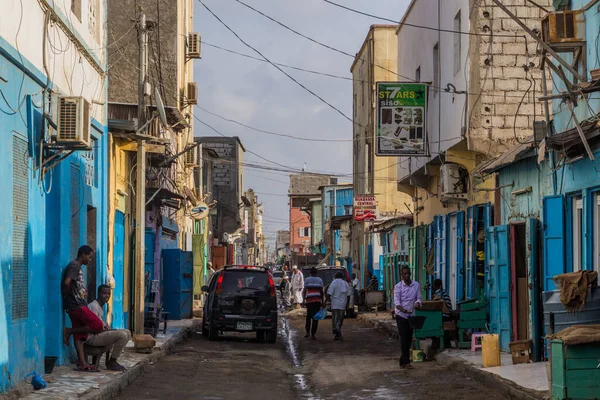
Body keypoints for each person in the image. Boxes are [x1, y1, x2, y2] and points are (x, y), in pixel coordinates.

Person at [62, 245, 105, 372]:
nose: (90, 260)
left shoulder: (77, 266)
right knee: (98, 325)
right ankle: (68, 331)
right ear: (83, 255)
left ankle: (82, 362)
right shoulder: (74, 266)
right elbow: (67, 282)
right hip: (77, 305)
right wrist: (69, 297)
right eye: (89, 257)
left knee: (79, 335)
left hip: (75, 305)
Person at [86, 285, 132, 371]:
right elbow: (92, 327)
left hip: (99, 333)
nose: (107, 295)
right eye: (104, 293)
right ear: (98, 294)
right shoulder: (93, 306)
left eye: (108, 293)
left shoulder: (100, 306)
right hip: (92, 337)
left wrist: (106, 327)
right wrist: (106, 329)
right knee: (122, 335)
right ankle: (112, 362)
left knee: (128, 332)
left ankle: (113, 359)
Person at [394, 266, 422, 369]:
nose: (406, 276)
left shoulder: (416, 285)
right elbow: (397, 303)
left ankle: (402, 360)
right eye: (404, 274)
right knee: (404, 337)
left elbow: (419, 298)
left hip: (411, 315)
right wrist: (404, 310)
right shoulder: (398, 287)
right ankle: (406, 361)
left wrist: (417, 303)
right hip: (401, 315)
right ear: (401, 275)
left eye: (408, 274)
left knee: (409, 338)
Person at [327, 272, 350, 340]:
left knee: (335, 319)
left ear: (336, 277)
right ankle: (338, 334)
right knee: (340, 320)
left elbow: (329, 294)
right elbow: (348, 296)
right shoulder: (346, 283)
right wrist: (347, 304)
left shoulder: (334, 282)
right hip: (343, 305)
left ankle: (338, 334)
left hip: (335, 304)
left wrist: (327, 302)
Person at [303, 267, 324, 339]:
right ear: (316, 273)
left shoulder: (307, 279)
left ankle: (307, 332)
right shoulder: (320, 280)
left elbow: (304, 290)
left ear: (310, 273)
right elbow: (321, 291)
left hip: (309, 301)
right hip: (317, 301)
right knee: (316, 317)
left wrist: (303, 300)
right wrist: (322, 301)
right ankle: (313, 334)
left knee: (308, 317)